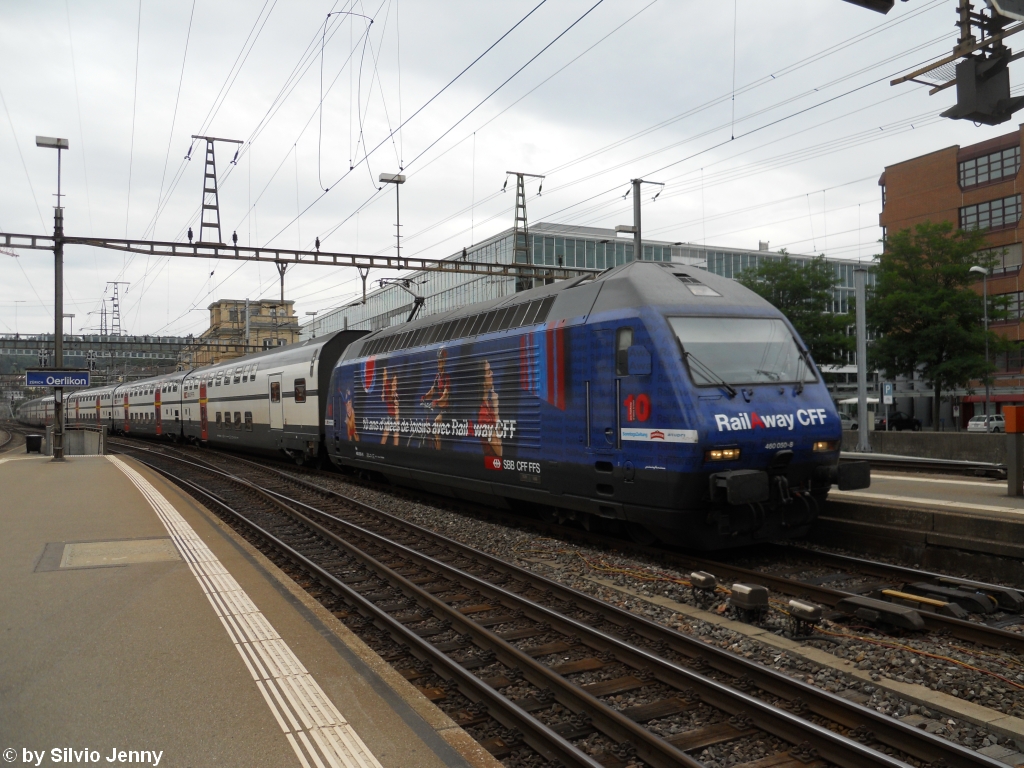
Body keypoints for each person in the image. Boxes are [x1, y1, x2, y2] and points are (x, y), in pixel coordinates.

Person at [420, 348, 451, 450]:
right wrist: (424, 397)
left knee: (437, 421)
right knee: (427, 421)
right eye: (438, 360)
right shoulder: (437, 377)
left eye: (440, 360)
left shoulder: (447, 377)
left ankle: (438, 450)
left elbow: (446, 395)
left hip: (445, 409)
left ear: (444, 362)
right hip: (438, 407)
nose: (439, 362)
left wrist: (437, 401)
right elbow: (432, 391)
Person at [478, 360, 502, 465]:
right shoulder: (483, 413)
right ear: (483, 382)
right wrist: (496, 408)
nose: (492, 373)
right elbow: (500, 451)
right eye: (488, 372)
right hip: (494, 463)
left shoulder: (488, 403)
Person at [380, 366, 400, 446]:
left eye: (396, 383)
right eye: (394, 383)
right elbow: (384, 377)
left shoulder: (396, 395)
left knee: (396, 434)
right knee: (385, 435)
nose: (395, 385)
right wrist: (382, 392)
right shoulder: (387, 389)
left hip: (395, 416)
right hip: (389, 416)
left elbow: (397, 411)